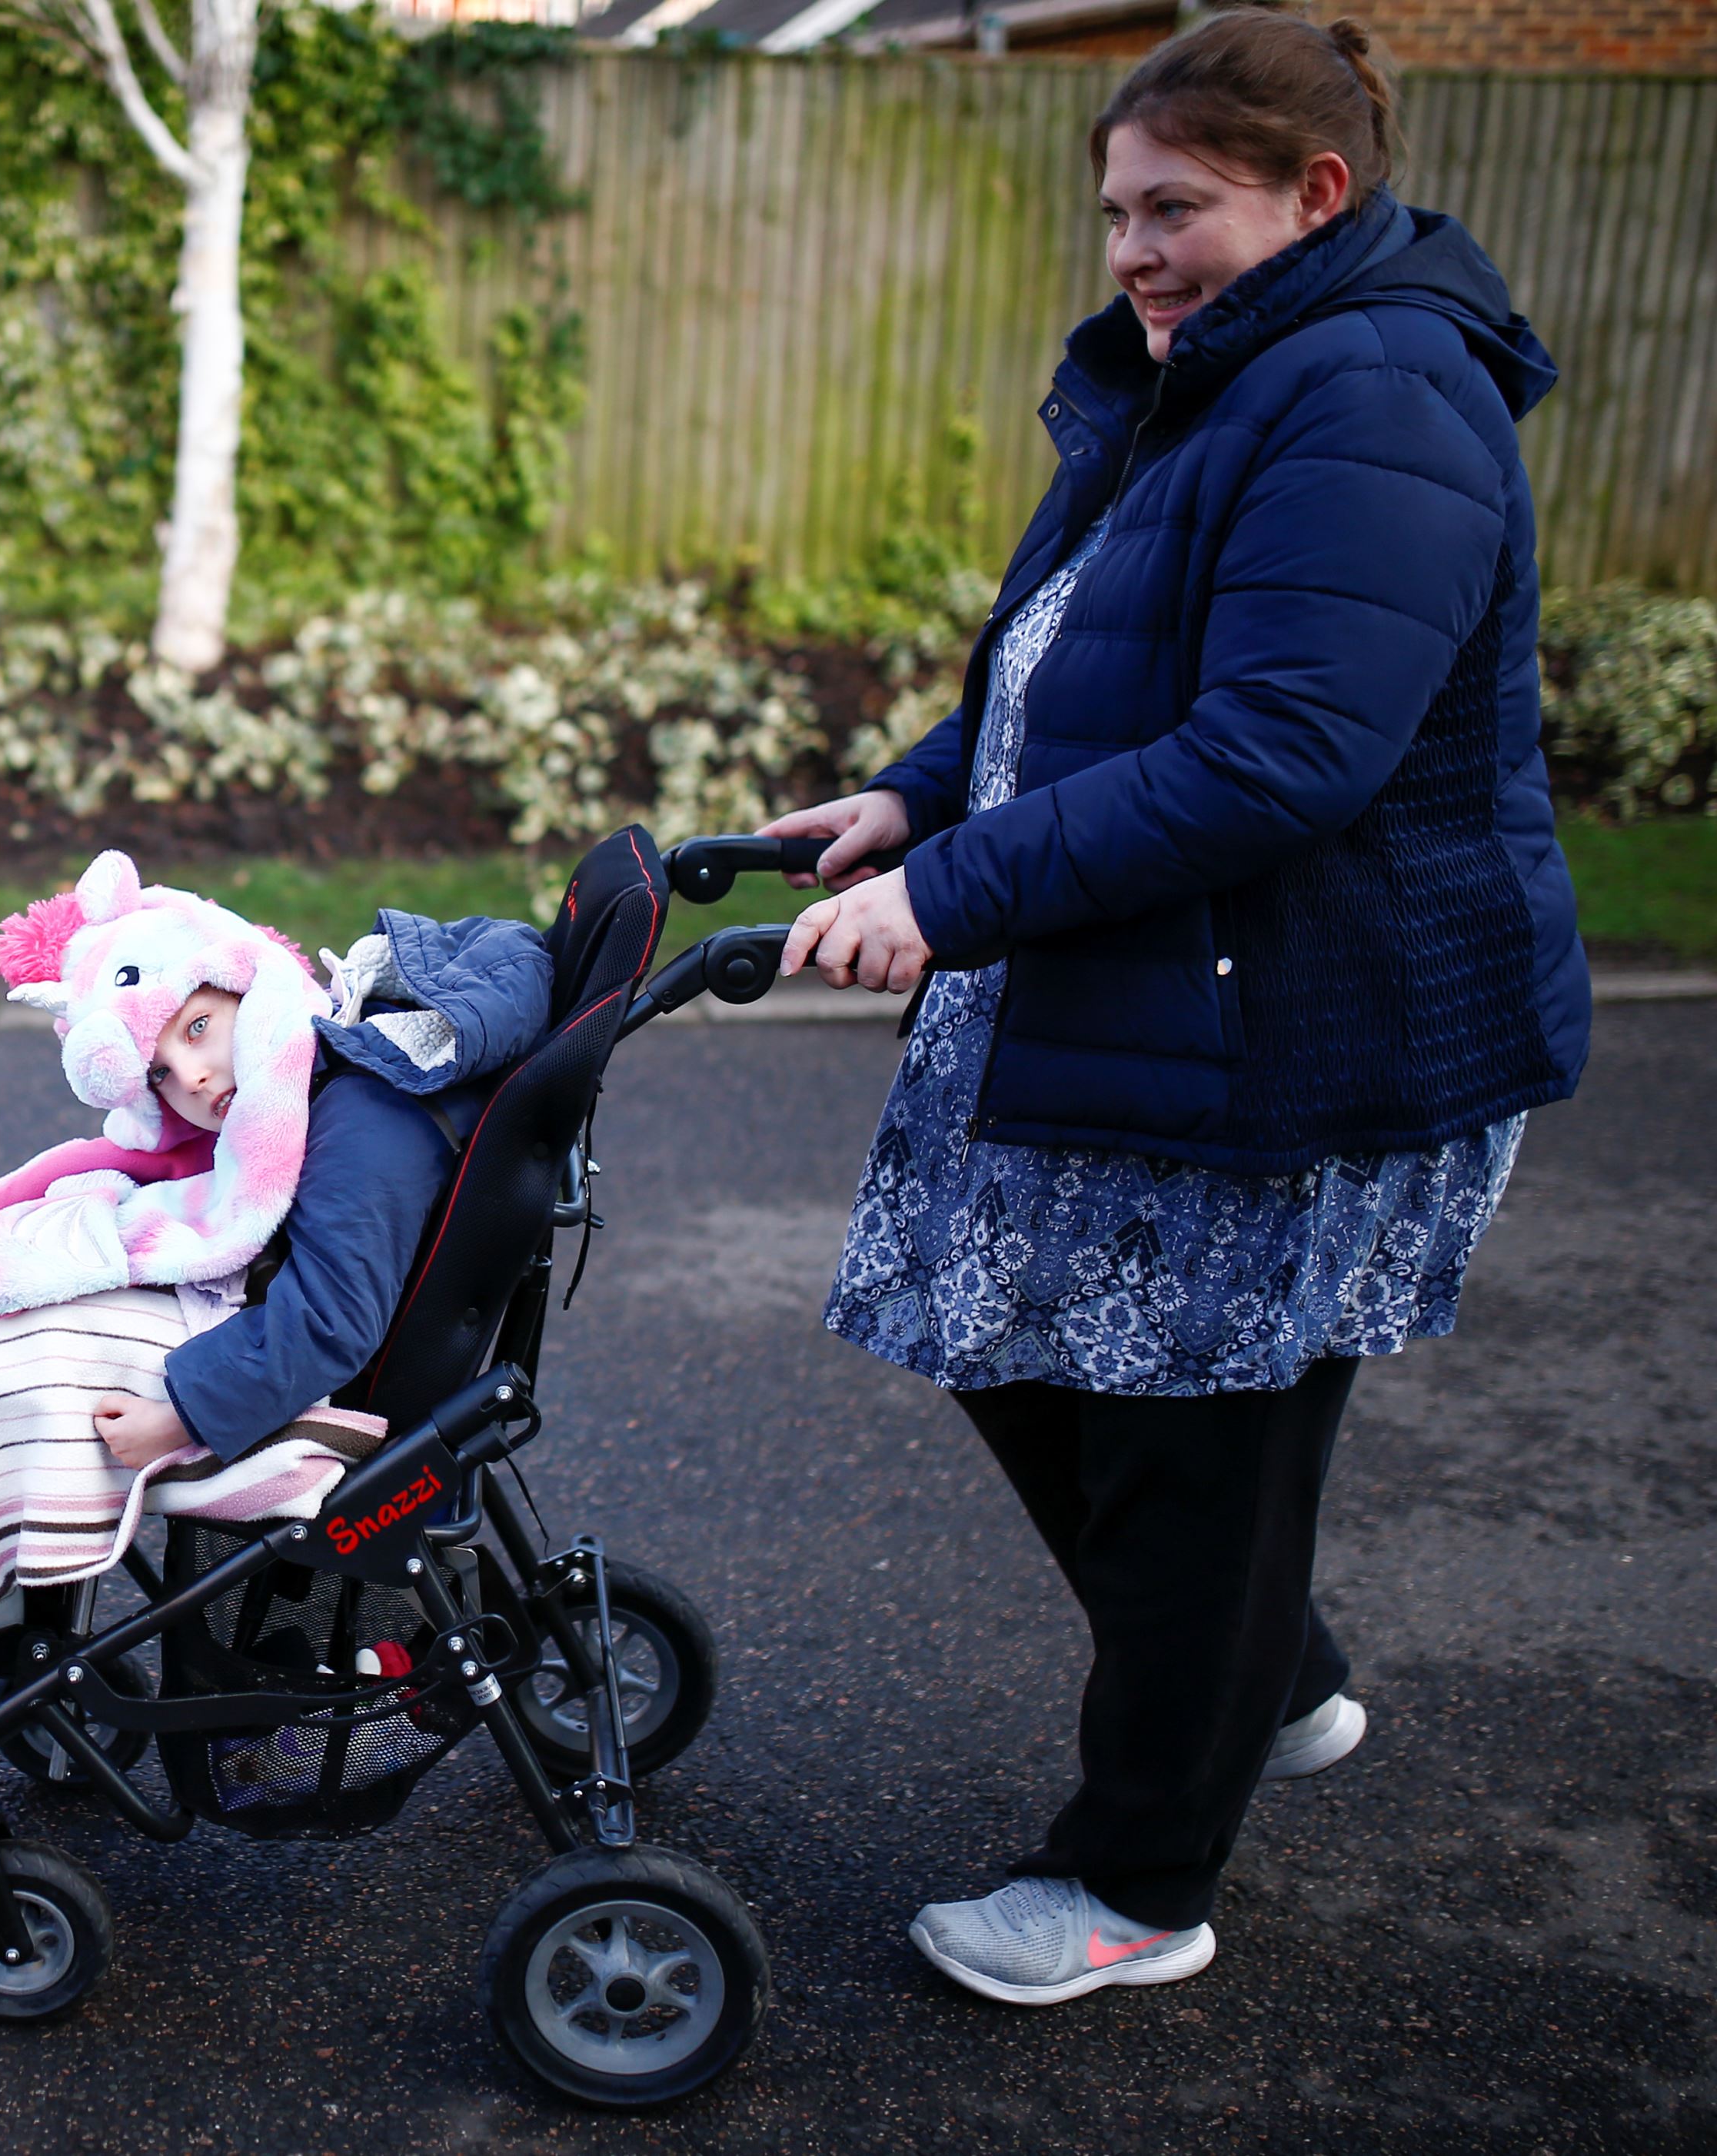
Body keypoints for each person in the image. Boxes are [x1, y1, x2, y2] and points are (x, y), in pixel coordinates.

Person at [761, 6, 1589, 2008]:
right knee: (1014, 1342)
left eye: (1171, 206)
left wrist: (941, 894)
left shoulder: (1374, 393)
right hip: (1159, 989)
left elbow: (1277, 750)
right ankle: (1263, 1674)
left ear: (1312, 193)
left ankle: (1135, 1873)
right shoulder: (1211, 373)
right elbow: (1088, 651)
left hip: (1293, 1023)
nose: (1128, 248)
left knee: (1197, 1445)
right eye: (1114, 210)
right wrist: (921, 789)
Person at [0, 853, 551, 1708]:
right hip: (269, 1313)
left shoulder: (366, 1117)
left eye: (196, 1029)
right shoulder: (326, 1085)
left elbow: (333, 1321)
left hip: (310, 1372)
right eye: (161, 1071)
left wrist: (180, 1417)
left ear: (251, 988)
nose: (192, 1078)